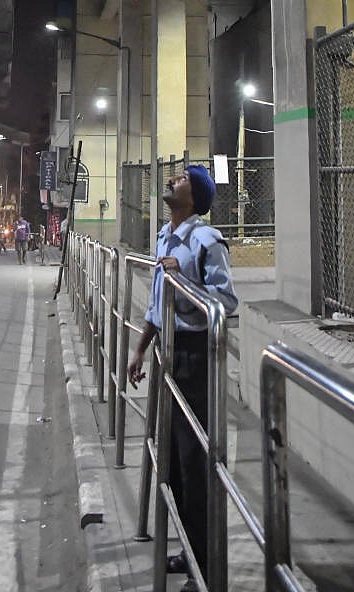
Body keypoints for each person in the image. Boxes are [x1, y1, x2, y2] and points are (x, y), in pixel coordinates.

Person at [127, 165, 237, 592]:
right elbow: (158, 303)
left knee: (195, 466)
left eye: (185, 178)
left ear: (196, 196)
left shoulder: (206, 239)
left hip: (194, 359)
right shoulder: (163, 235)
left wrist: (185, 278)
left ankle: (205, 567)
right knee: (170, 462)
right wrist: (140, 348)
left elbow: (226, 303)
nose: (174, 179)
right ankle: (188, 548)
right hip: (166, 352)